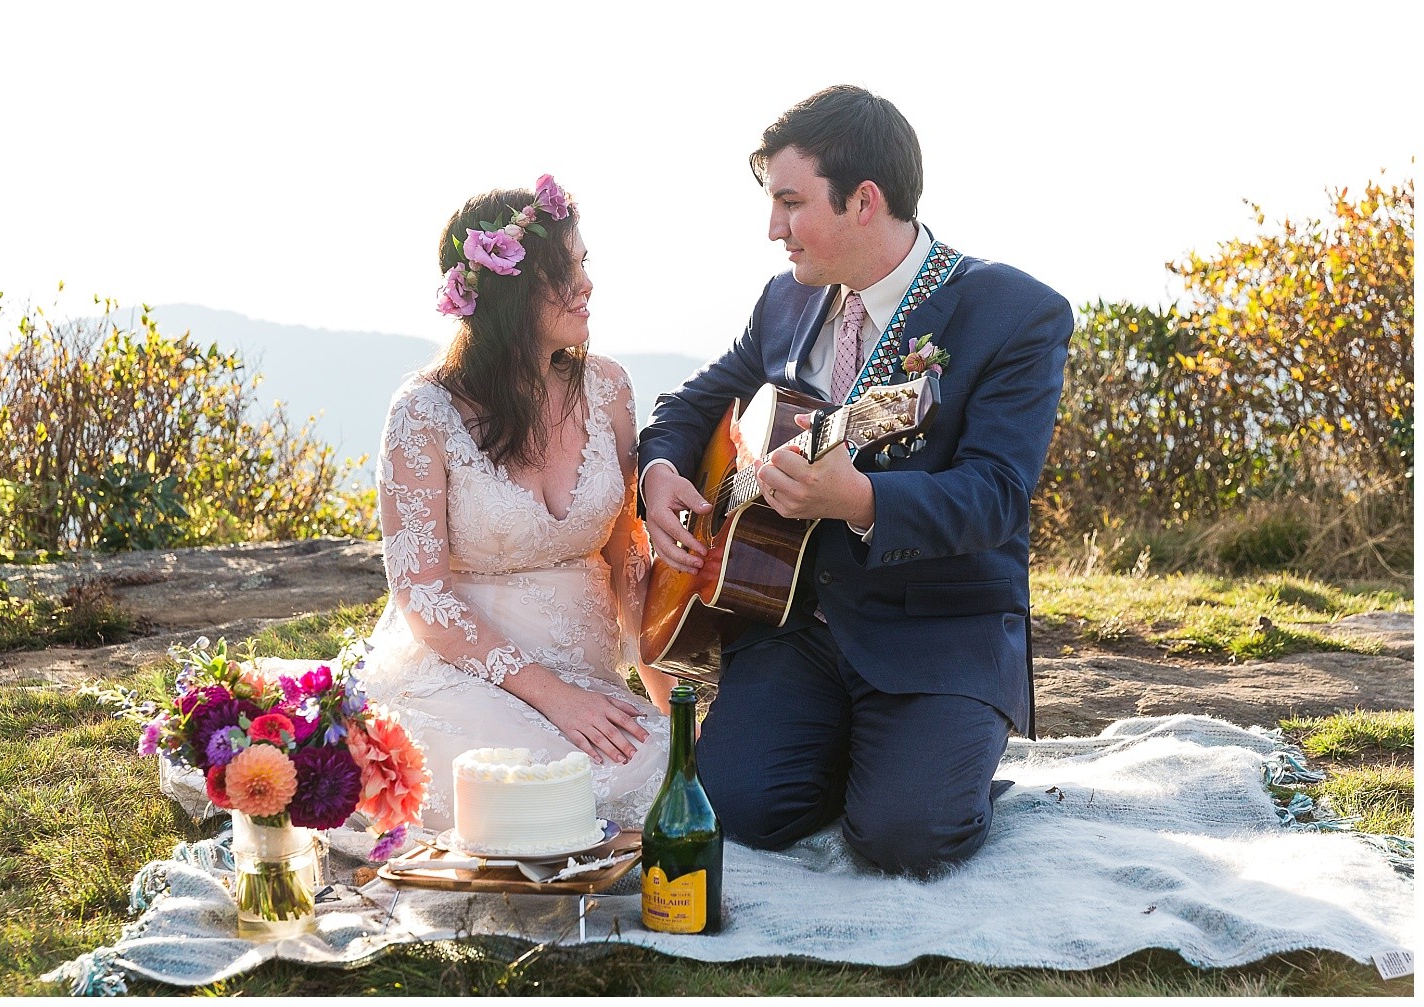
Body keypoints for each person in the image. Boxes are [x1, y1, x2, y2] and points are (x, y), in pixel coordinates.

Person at [638, 86, 1074, 875]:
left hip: (938, 632)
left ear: (864, 201)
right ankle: (864, 758)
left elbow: (998, 495)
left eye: (790, 203)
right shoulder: (784, 302)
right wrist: (662, 471)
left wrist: (864, 500)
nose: (773, 228)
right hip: (794, 625)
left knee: (908, 839)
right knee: (731, 809)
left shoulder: (1016, 313)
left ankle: (922, 767)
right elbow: (689, 404)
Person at [359, 175, 677, 834]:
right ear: (506, 289)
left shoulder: (609, 388)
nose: (585, 284)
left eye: (584, 264)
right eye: (562, 271)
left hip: (589, 673)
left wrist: (664, 693)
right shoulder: (424, 411)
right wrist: (554, 696)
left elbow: (628, 557)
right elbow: (423, 595)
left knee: (680, 770)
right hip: (467, 674)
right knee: (566, 795)